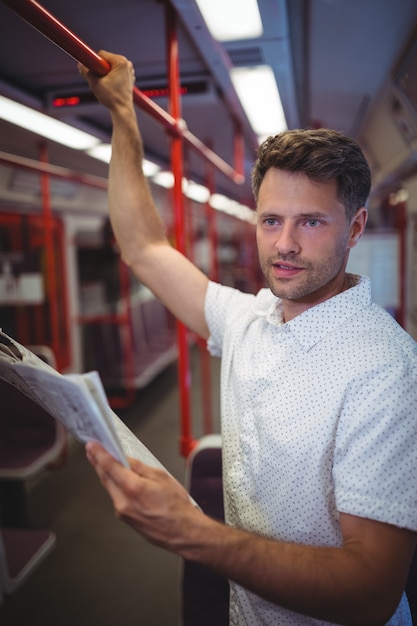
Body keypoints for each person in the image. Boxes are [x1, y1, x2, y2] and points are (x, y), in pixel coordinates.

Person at [79, 51, 417, 626]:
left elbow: (371, 591)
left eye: (310, 221)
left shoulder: (386, 368)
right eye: (270, 220)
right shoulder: (251, 318)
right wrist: (122, 115)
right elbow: (145, 249)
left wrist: (196, 536)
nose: (284, 243)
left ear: (355, 227)